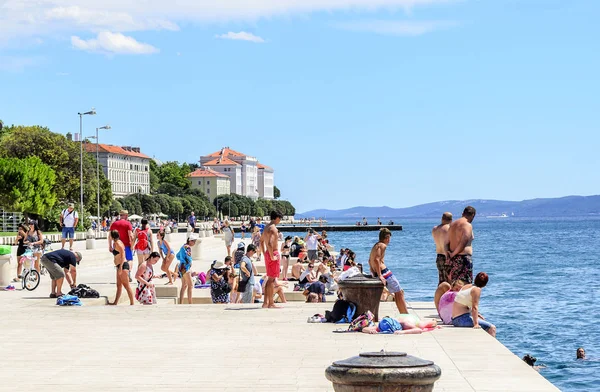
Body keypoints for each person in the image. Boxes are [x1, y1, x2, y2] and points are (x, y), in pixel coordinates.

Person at [368, 228, 408, 314]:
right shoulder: (382, 245)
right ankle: (405, 314)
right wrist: (380, 275)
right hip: (384, 272)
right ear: (387, 238)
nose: (389, 240)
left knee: (398, 291)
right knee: (399, 292)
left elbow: (369, 260)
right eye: (389, 238)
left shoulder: (376, 245)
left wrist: (373, 271)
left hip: (379, 272)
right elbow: (376, 259)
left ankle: (403, 313)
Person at [451, 272, 496, 337]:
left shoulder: (467, 286)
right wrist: (476, 324)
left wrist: (477, 315)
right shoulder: (476, 290)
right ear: (485, 284)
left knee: (482, 321)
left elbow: (464, 302)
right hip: (461, 319)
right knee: (492, 328)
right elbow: (475, 307)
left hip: (455, 319)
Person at [445, 206, 476, 284]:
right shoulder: (467, 225)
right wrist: (453, 254)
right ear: (472, 215)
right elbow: (464, 242)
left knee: (454, 285)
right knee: (465, 286)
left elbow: (446, 243)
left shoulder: (452, 225)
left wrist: (448, 256)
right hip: (463, 259)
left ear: (463, 213)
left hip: (453, 259)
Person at [260, 210, 283, 309]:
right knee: (271, 279)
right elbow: (269, 243)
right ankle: (271, 303)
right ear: (277, 218)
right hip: (272, 253)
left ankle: (266, 303)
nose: (280, 221)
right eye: (280, 219)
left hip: (268, 254)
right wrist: (272, 256)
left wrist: (264, 253)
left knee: (269, 278)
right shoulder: (273, 229)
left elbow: (261, 241)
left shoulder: (266, 227)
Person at [108, 230, 135, 305]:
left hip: (122, 265)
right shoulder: (116, 243)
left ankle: (132, 303)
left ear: (112, 236)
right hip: (118, 265)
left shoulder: (118, 243)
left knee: (126, 285)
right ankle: (115, 302)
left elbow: (123, 255)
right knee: (119, 285)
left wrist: (120, 267)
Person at [109, 210, 134, 280]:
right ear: (126, 215)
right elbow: (130, 235)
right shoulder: (128, 223)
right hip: (126, 245)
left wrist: (110, 246)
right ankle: (128, 272)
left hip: (116, 245)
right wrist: (132, 245)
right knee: (129, 259)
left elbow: (110, 235)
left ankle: (120, 275)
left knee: (118, 260)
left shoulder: (114, 224)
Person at [362, 314, 437, 335]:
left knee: (422, 325)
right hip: (399, 317)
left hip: (411, 319)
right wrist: (371, 331)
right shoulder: (383, 325)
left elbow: (419, 330)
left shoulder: (404, 324)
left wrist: (403, 332)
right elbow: (364, 329)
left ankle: (434, 321)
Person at [432, 212, 452, 284]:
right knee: (450, 281)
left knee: (441, 281)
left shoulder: (435, 229)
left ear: (442, 219)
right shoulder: (449, 228)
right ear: (451, 220)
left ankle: (440, 295)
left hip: (439, 256)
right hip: (447, 256)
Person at [176, 235, 198, 304]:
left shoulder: (183, 246)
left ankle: (181, 302)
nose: (194, 243)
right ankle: (190, 303)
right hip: (186, 267)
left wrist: (182, 260)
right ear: (190, 241)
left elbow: (177, 256)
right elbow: (188, 257)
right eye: (194, 241)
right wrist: (190, 262)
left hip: (181, 267)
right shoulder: (188, 247)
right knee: (190, 285)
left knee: (184, 285)